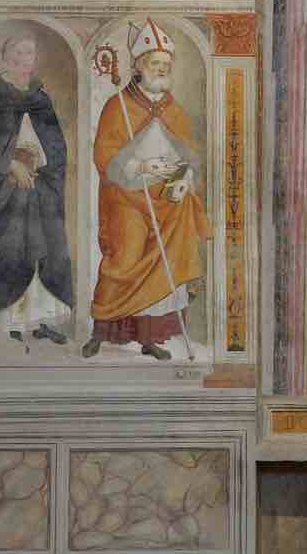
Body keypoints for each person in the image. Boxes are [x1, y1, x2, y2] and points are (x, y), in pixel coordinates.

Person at [82, 19, 214, 359]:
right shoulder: (118, 106)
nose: (161, 69)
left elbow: (188, 155)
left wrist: (183, 177)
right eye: (155, 63)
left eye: (166, 64)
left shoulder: (174, 109)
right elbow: (103, 156)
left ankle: (149, 336)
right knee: (124, 258)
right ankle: (102, 330)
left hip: (166, 198)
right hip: (126, 196)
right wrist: (141, 167)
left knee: (166, 260)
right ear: (139, 65)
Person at [0, 34, 74, 347]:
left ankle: (42, 322)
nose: (25, 59)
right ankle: (11, 321)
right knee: (12, 249)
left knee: (46, 249)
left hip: (40, 187)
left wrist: (42, 163)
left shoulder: (41, 100)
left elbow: (56, 145)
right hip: (6, 193)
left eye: (29, 53)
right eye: (18, 53)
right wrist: (11, 164)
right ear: (6, 58)